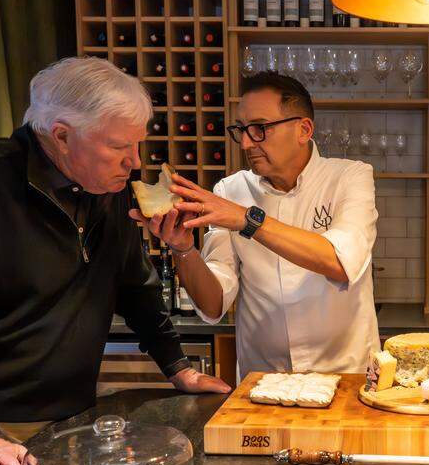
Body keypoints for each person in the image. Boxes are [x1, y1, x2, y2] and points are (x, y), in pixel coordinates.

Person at [0, 57, 230, 465]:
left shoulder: (106, 191)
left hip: (64, 412)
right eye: (117, 147)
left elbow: (135, 287)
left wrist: (177, 366)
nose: (134, 162)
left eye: (137, 145)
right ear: (63, 136)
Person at [133, 71, 379, 377]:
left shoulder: (349, 176)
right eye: (242, 129)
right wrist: (183, 248)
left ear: (304, 129)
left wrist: (247, 220)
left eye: (260, 129)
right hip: (263, 383)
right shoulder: (230, 191)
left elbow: (341, 262)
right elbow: (213, 306)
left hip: (346, 376)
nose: (247, 142)